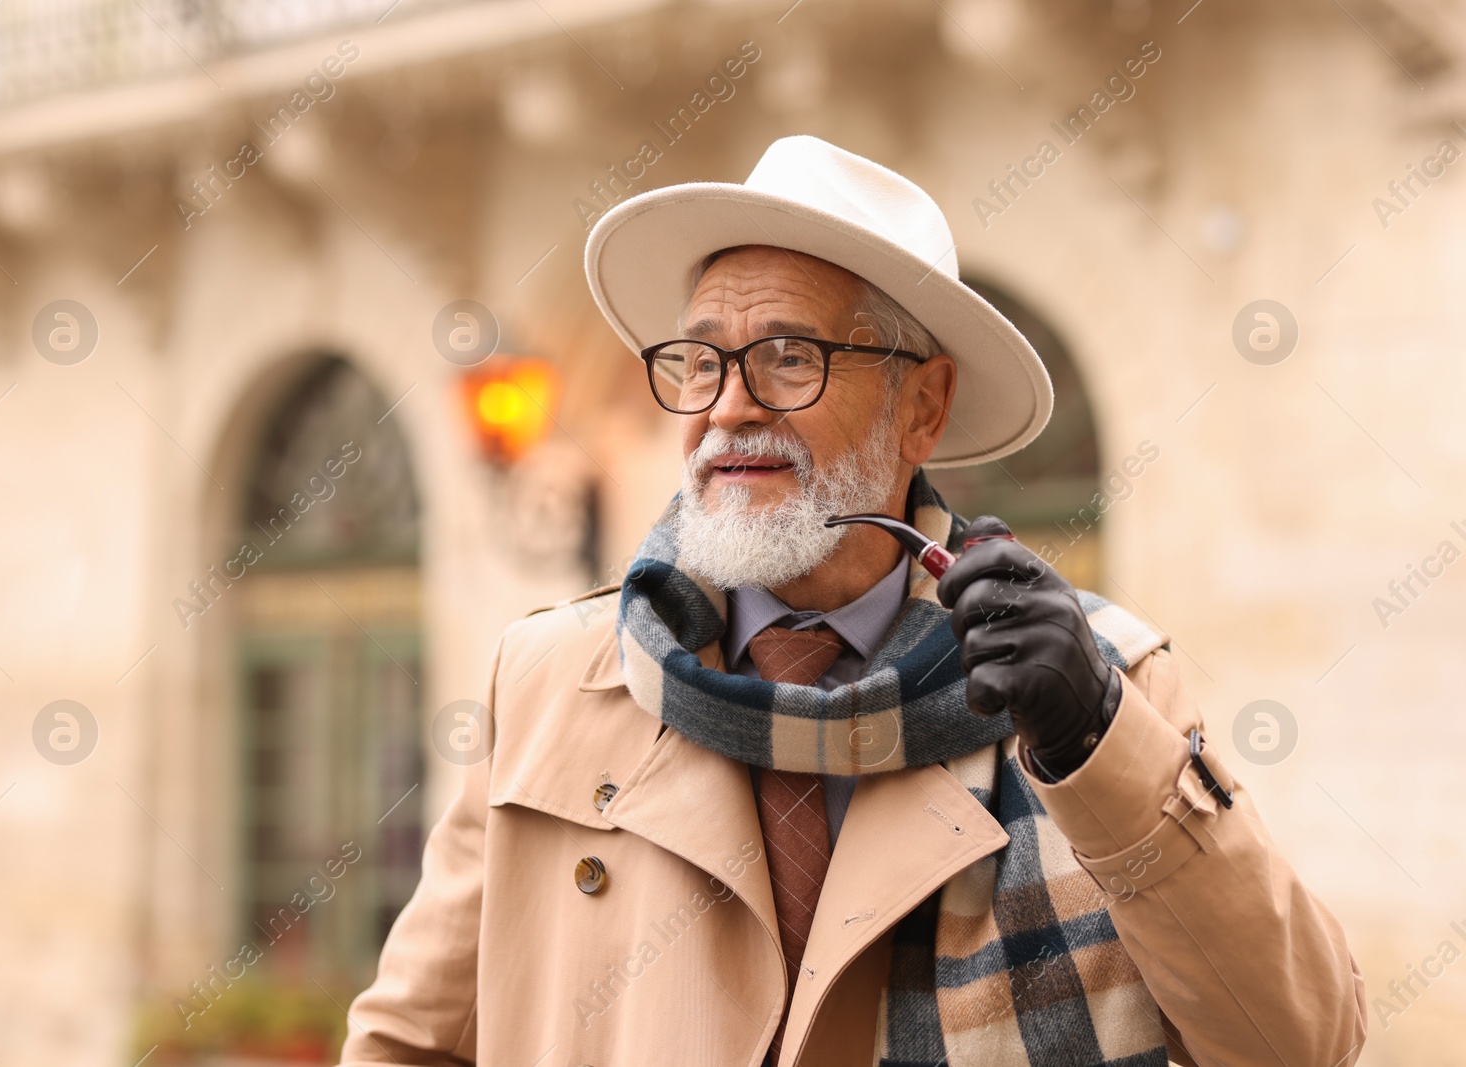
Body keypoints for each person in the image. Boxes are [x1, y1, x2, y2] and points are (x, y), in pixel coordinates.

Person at [340, 136, 1366, 1067]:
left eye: (789, 356)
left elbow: (1298, 1041)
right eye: (700, 359)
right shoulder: (550, 678)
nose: (728, 404)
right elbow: (407, 1043)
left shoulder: (1098, 680)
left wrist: (1099, 740)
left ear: (921, 405)